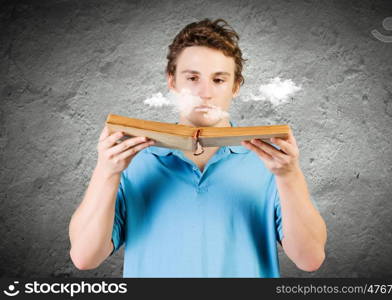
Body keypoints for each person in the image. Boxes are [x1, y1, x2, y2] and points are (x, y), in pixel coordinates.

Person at [69, 18, 327, 277]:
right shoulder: (131, 160)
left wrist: (289, 176)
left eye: (218, 80)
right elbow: (84, 257)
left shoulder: (270, 163)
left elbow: (310, 259)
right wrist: (106, 172)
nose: (205, 92)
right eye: (192, 78)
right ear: (172, 82)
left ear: (236, 86)